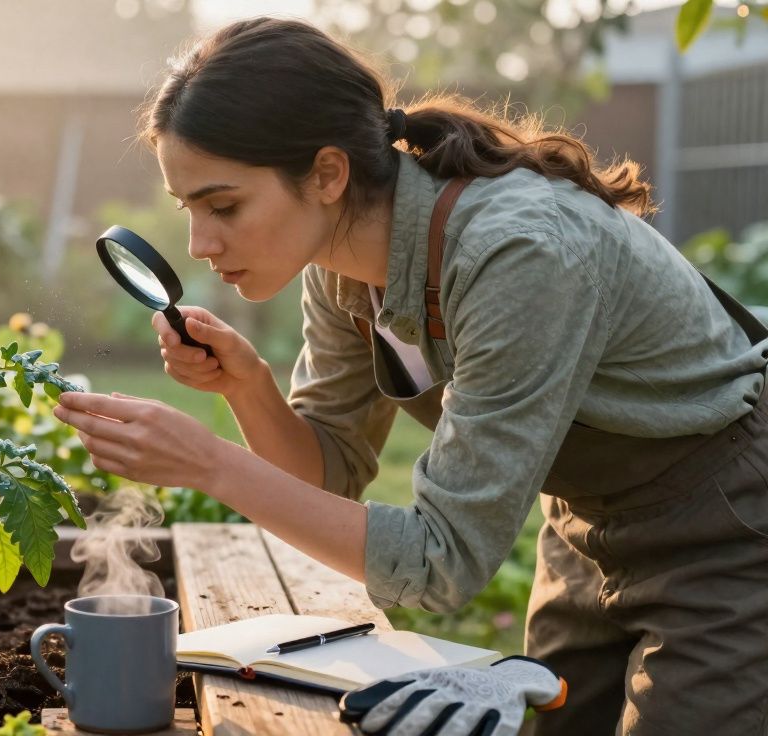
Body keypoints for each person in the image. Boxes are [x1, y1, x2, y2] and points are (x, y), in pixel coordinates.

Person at [51, 16, 768, 736]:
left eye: (225, 205)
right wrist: (247, 388)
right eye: (189, 209)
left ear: (328, 173)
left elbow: (438, 562)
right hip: (585, 521)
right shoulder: (339, 271)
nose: (201, 244)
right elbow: (328, 478)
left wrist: (209, 464)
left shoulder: (516, 252)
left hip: (729, 522)